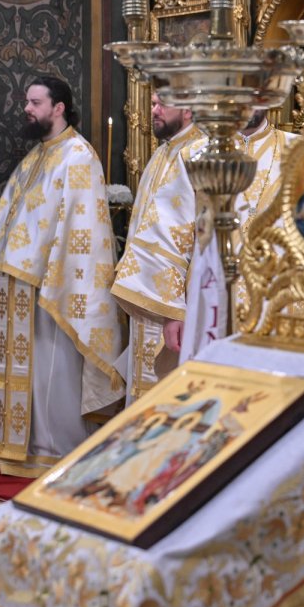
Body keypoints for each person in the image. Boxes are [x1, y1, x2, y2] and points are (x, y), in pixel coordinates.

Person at [0, 76, 124, 477]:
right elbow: (10, 220)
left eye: (35, 102)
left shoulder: (78, 156)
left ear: (59, 107)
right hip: (19, 285)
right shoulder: (35, 158)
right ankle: (25, 450)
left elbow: (82, 228)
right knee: (32, 373)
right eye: (27, 101)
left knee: (54, 371)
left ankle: (59, 452)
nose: (27, 108)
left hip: (54, 286)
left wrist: (54, 276)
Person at [113, 107, 293, 362]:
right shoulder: (195, 155)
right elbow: (168, 232)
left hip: (281, 308)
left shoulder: (299, 153)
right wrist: (173, 312)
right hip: (210, 305)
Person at [112, 94, 198, 403]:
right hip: (148, 297)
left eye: (162, 103)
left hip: (174, 305)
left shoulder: (197, 154)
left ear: (188, 108)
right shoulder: (162, 154)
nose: (154, 110)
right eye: (152, 104)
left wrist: (174, 308)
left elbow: (189, 238)